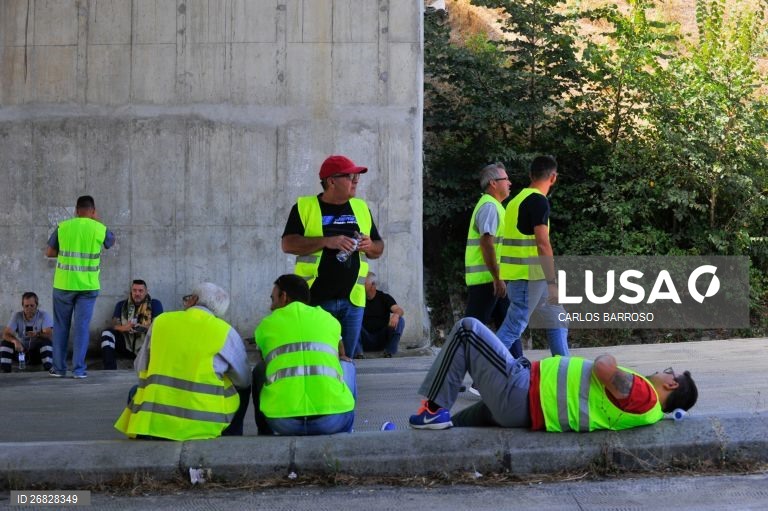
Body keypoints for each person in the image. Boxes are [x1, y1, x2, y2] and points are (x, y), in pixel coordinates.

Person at [409, 317, 698, 431]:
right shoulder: (650, 412)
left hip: (523, 393)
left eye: (667, 371)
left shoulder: (643, 393)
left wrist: (610, 358)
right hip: (526, 405)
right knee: (458, 423)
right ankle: (431, 424)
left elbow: (603, 367)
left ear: (671, 383)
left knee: (467, 329)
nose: (661, 371)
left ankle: (433, 409)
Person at [114, 282, 251, 441]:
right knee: (243, 387)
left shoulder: (161, 322)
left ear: (193, 299)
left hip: (157, 422)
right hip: (205, 425)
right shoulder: (225, 332)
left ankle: (144, 435)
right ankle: (232, 437)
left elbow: (139, 368)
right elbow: (244, 380)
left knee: (135, 391)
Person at [282, 155, 385, 359]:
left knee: (346, 362)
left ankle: (344, 392)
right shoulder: (305, 207)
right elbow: (288, 244)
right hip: (315, 299)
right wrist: (326, 241)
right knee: (319, 359)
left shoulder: (361, 208)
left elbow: (379, 248)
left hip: (353, 300)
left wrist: (369, 245)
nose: (356, 180)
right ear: (331, 181)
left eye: (357, 176)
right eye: (350, 176)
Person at [251, 274, 356, 436]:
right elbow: (342, 353)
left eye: (273, 299)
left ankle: (265, 433)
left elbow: (265, 360)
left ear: (284, 297)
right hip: (333, 420)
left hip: (282, 422)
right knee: (347, 364)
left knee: (260, 369)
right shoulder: (327, 318)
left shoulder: (266, 325)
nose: (271, 307)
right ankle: (347, 432)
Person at [496, 156, 569, 358]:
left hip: (526, 276)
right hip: (530, 277)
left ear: (530, 175)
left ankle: (564, 369)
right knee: (513, 327)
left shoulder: (515, 201)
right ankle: (482, 374)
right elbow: (542, 244)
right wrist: (552, 280)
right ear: (553, 177)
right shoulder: (538, 201)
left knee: (558, 319)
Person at [46, 195, 116, 378]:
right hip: (88, 286)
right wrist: (96, 222)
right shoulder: (99, 228)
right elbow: (110, 242)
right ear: (93, 211)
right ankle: (79, 370)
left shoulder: (64, 227)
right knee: (82, 327)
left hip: (64, 285)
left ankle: (59, 369)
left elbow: (49, 251)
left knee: (61, 326)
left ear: (76, 210)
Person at [464, 162, 511, 330]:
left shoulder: (496, 207)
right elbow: (487, 243)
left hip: (494, 278)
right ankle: (460, 357)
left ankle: (515, 357)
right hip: (487, 280)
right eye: (506, 179)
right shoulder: (490, 207)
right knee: (472, 331)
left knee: (508, 327)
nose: (509, 183)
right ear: (493, 183)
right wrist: (497, 278)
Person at [100, 279, 164, 370]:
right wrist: (124, 328)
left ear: (146, 292)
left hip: (145, 346)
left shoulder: (155, 304)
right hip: (126, 345)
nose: (137, 293)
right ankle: (110, 370)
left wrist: (143, 328)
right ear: (131, 291)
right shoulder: (121, 305)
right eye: (134, 290)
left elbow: (159, 326)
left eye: (140, 291)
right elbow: (114, 325)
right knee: (107, 333)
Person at [1, 292, 53, 372]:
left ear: (36, 305)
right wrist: (15, 341)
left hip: (37, 354)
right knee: (5, 343)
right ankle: (5, 370)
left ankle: (48, 369)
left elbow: (49, 335)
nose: (29, 308)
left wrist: (37, 334)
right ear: (23, 306)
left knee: (47, 343)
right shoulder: (17, 316)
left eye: (32, 305)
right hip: (21, 352)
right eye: (26, 306)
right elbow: (5, 334)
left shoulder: (43, 315)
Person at [358, 272, 405, 358]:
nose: (360, 285)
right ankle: (358, 353)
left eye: (363, 283)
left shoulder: (384, 297)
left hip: (381, 338)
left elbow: (399, 310)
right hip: (364, 338)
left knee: (400, 320)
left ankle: (389, 352)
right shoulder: (357, 298)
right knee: (352, 322)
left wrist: (396, 315)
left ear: (373, 284)